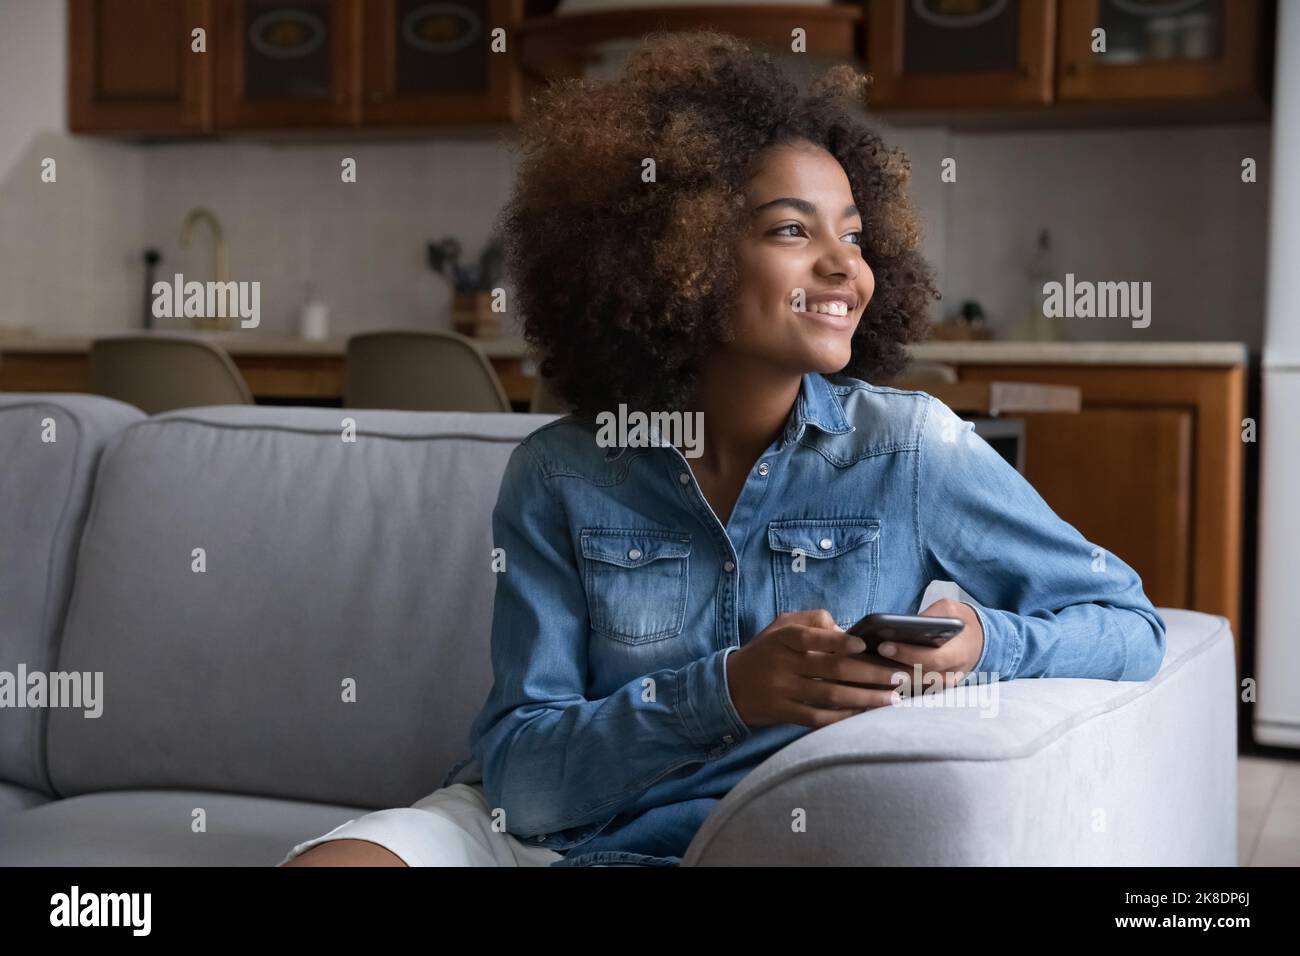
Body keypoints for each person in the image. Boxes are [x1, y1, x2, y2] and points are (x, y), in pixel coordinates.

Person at [280, 29, 1166, 868]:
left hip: (742, 836)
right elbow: (519, 779)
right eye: (793, 230)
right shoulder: (562, 471)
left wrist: (982, 644)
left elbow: (1131, 627)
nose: (844, 267)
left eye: (853, 235)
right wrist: (730, 691)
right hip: (541, 833)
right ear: (678, 255)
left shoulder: (908, 450)